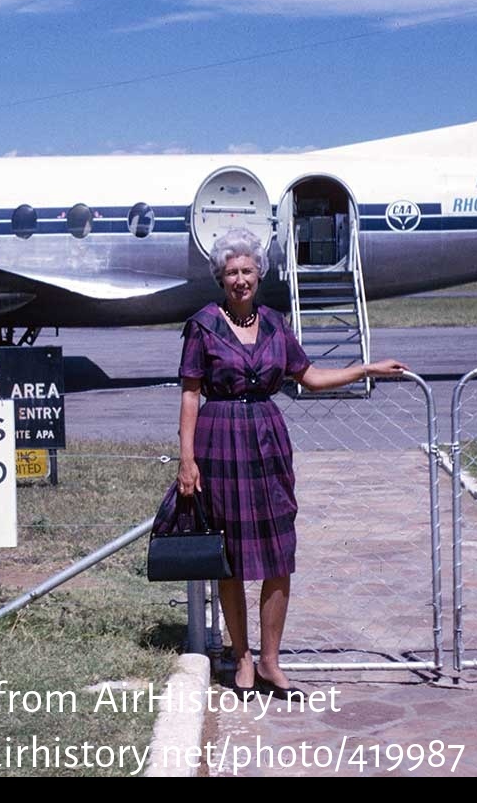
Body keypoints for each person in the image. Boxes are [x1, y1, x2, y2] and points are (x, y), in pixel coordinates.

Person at [175, 228, 409, 694]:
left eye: (247, 271)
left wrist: (365, 368)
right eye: (231, 272)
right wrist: (187, 459)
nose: (240, 279)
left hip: (268, 439)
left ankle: (270, 661)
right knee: (231, 558)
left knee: (279, 552)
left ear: (259, 274)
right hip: (219, 440)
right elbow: (190, 393)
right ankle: (241, 660)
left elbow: (310, 376)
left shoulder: (276, 324)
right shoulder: (202, 325)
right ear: (220, 278)